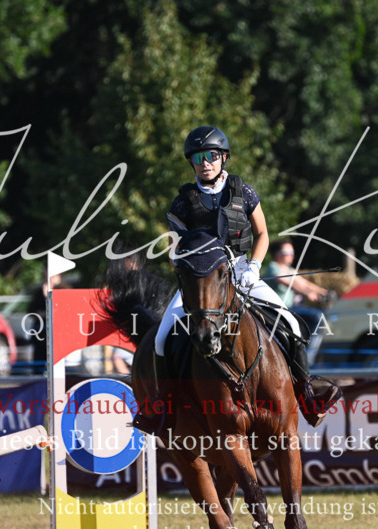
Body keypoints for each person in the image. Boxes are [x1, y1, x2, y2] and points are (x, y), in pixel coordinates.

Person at [142, 125, 340, 431]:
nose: (205, 162)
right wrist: (194, 268)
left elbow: (262, 234)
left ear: (223, 157)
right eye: (198, 157)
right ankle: (163, 409)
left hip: (242, 271)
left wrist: (255, 266)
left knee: (289, 323)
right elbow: (174, 251)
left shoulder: (243, 192)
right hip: (201, 278)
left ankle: (307, 395)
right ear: (191, 162)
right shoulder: (183, 202)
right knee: (160, 337)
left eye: (211, 155)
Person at [264, 238, 329, 308]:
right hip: (273, 309)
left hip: (288, 307)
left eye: (292, 253)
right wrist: (308, 293)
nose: (292, 256)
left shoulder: (289, 269)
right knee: (315, 316)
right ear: (277, 254)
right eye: (288, 253)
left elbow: (305, 283)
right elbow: (289, 284)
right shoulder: (273, 267)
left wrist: (324, 292)